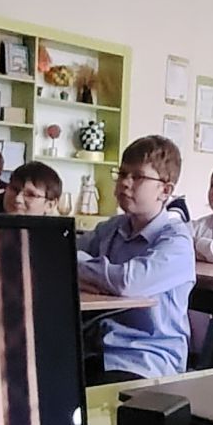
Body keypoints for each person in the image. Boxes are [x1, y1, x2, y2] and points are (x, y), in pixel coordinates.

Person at [76, 135, 195, 384]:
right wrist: (95, 273)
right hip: (97, 348)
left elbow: (127, 282)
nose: (124, 183)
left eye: (137, 176)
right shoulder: (112, 228)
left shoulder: (176, 241)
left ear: (165, 190)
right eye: (121, 174)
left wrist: (86, 271)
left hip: (145, 358)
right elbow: (63, 256)